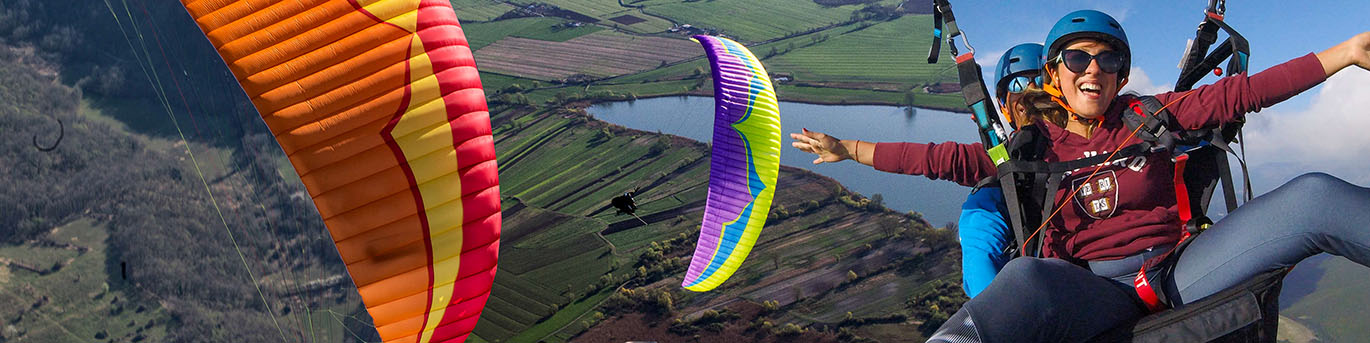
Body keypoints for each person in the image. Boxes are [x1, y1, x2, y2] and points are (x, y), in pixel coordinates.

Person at [804, 9, 1370, 342]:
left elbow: (1242, 93)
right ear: (1054, 73)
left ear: (1122, 73)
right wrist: (847, 147)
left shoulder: (1153, 115)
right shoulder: (1030, 148)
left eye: (1107, 60)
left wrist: (1344, 53)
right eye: (1078, 59)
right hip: (1094, 292)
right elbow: (942, 161)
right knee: (1025, 280)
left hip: (1178, 271)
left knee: (1313, 197)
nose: (1093, 69)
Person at [789, 43, 1044, 298]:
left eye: (1041, 81)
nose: (1031, 91)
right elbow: (926, 158)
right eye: (1018, 84)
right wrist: (847, 149)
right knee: (980, 210)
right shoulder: (1000, 159)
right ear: (1003, 105)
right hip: (1031, 269)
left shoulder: (1079, 150)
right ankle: (996, 312)